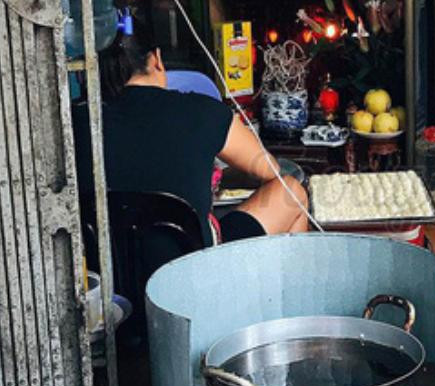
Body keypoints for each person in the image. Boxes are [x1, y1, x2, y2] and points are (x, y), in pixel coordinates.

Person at [78, 32, 309, 246]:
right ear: (157, 60)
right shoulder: (205, 111)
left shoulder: (74, 123)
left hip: (110, 275)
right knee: (291, 191)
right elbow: (270, 170)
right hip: (196, 272)